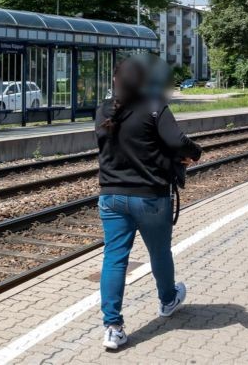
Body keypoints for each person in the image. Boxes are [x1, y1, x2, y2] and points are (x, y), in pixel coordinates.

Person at [95, 57, 203, 350]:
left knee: (114, 259)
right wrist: (195, 152)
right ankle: (168, 300)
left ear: (116, 80)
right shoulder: (154, 106)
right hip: (150, 197)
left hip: (111, 196)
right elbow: (177, 140)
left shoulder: (104, 110)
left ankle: (113, 327)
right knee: (159, 252)